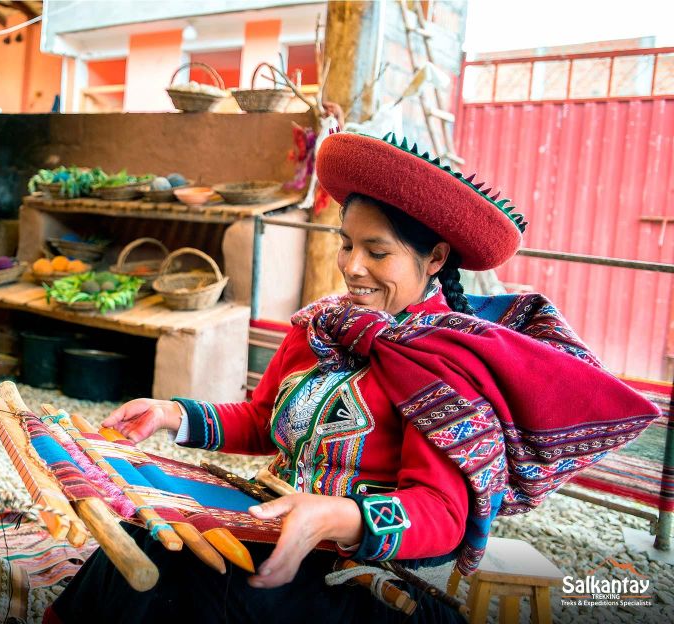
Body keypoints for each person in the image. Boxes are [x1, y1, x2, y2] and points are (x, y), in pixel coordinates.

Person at [46, 132, 660, 623]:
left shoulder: (444, 366)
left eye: (378, 251)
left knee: (194, 584)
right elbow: (265, 421)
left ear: (436, 259)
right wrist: (173, 415)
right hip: (270, 521)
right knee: (149, 537)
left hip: (366, 570)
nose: (352, 268)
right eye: (346, 245)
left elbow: (443, 513)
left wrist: (336, 516)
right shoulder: (325, 328)